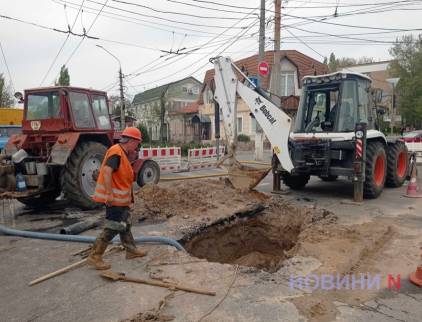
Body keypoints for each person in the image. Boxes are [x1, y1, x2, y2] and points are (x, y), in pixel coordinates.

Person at [87, 127, 147, 270]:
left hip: (121, 200)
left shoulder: (122, 153)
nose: (137, 147)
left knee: (125, 224)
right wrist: (109, 194)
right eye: (137, 143)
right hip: (113, 200)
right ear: (132, 141)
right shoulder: (116, 152)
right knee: (112, 228)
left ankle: (131, 250)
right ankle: (95, 256)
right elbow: (107, 171)